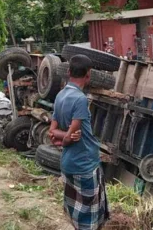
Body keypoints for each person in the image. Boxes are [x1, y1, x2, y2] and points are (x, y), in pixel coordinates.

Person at [49, 54, 109, 230]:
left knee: (76, 218)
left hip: (68, 164)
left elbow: (52, 131)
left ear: (68, 72)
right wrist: (66, 138)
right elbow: (70, 136)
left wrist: (61, 137)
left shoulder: (60, 95)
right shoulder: (80, 99)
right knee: (89, 223)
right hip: (85, 165)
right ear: (88, 75)